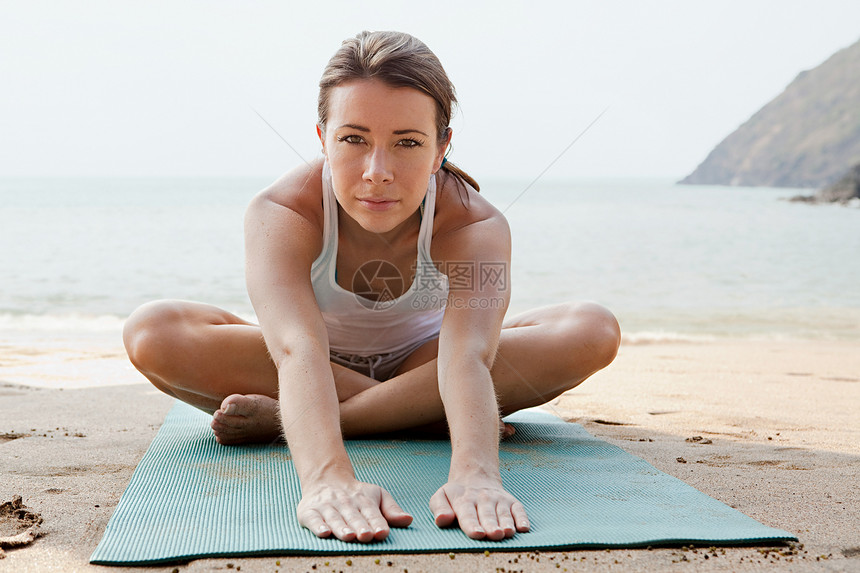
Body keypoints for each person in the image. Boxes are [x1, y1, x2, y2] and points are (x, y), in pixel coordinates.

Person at [122, 30, 620, 544]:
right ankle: (420, 415)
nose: (377, 172)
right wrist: (326, 479)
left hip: (427, 364)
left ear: (440, 146)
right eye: (353, 139)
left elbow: (466, 355)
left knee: (591, 328)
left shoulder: (475, 226)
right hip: (310, 367)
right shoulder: (281, 212)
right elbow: (297, 349)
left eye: (407, 143)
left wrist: (476, 474)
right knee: (152, 331)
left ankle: (300, 420)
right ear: (322, 137)